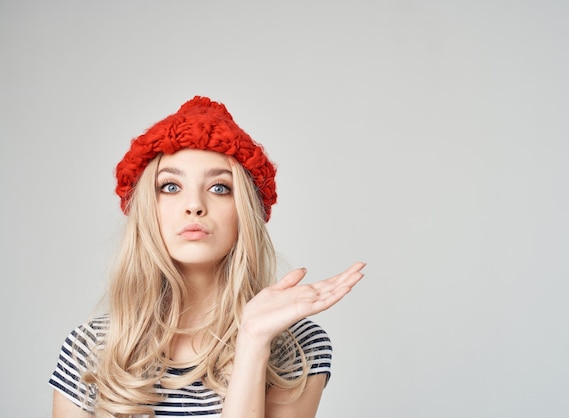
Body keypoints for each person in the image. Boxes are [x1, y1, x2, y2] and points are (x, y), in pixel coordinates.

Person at [48, 96, 365, 417]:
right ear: (145, 209)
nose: (194, 205)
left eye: (219, 188)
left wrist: (253, 340)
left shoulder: (296, 346)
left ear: (245, 212)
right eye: (170, 186)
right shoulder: (90, 348)